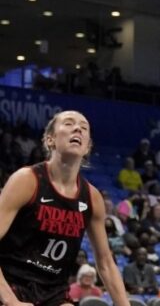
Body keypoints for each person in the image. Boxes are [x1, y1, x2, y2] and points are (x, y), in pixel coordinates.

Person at [0, 111, 129, 306]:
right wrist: (10, 300)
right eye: (69, 124)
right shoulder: (27, 180)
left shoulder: (92, 198)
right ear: (50, 140)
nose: (78, 128)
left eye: (84, 128)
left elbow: (106, 264)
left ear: (87, 147)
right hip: (10, 282)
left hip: (54, 292)